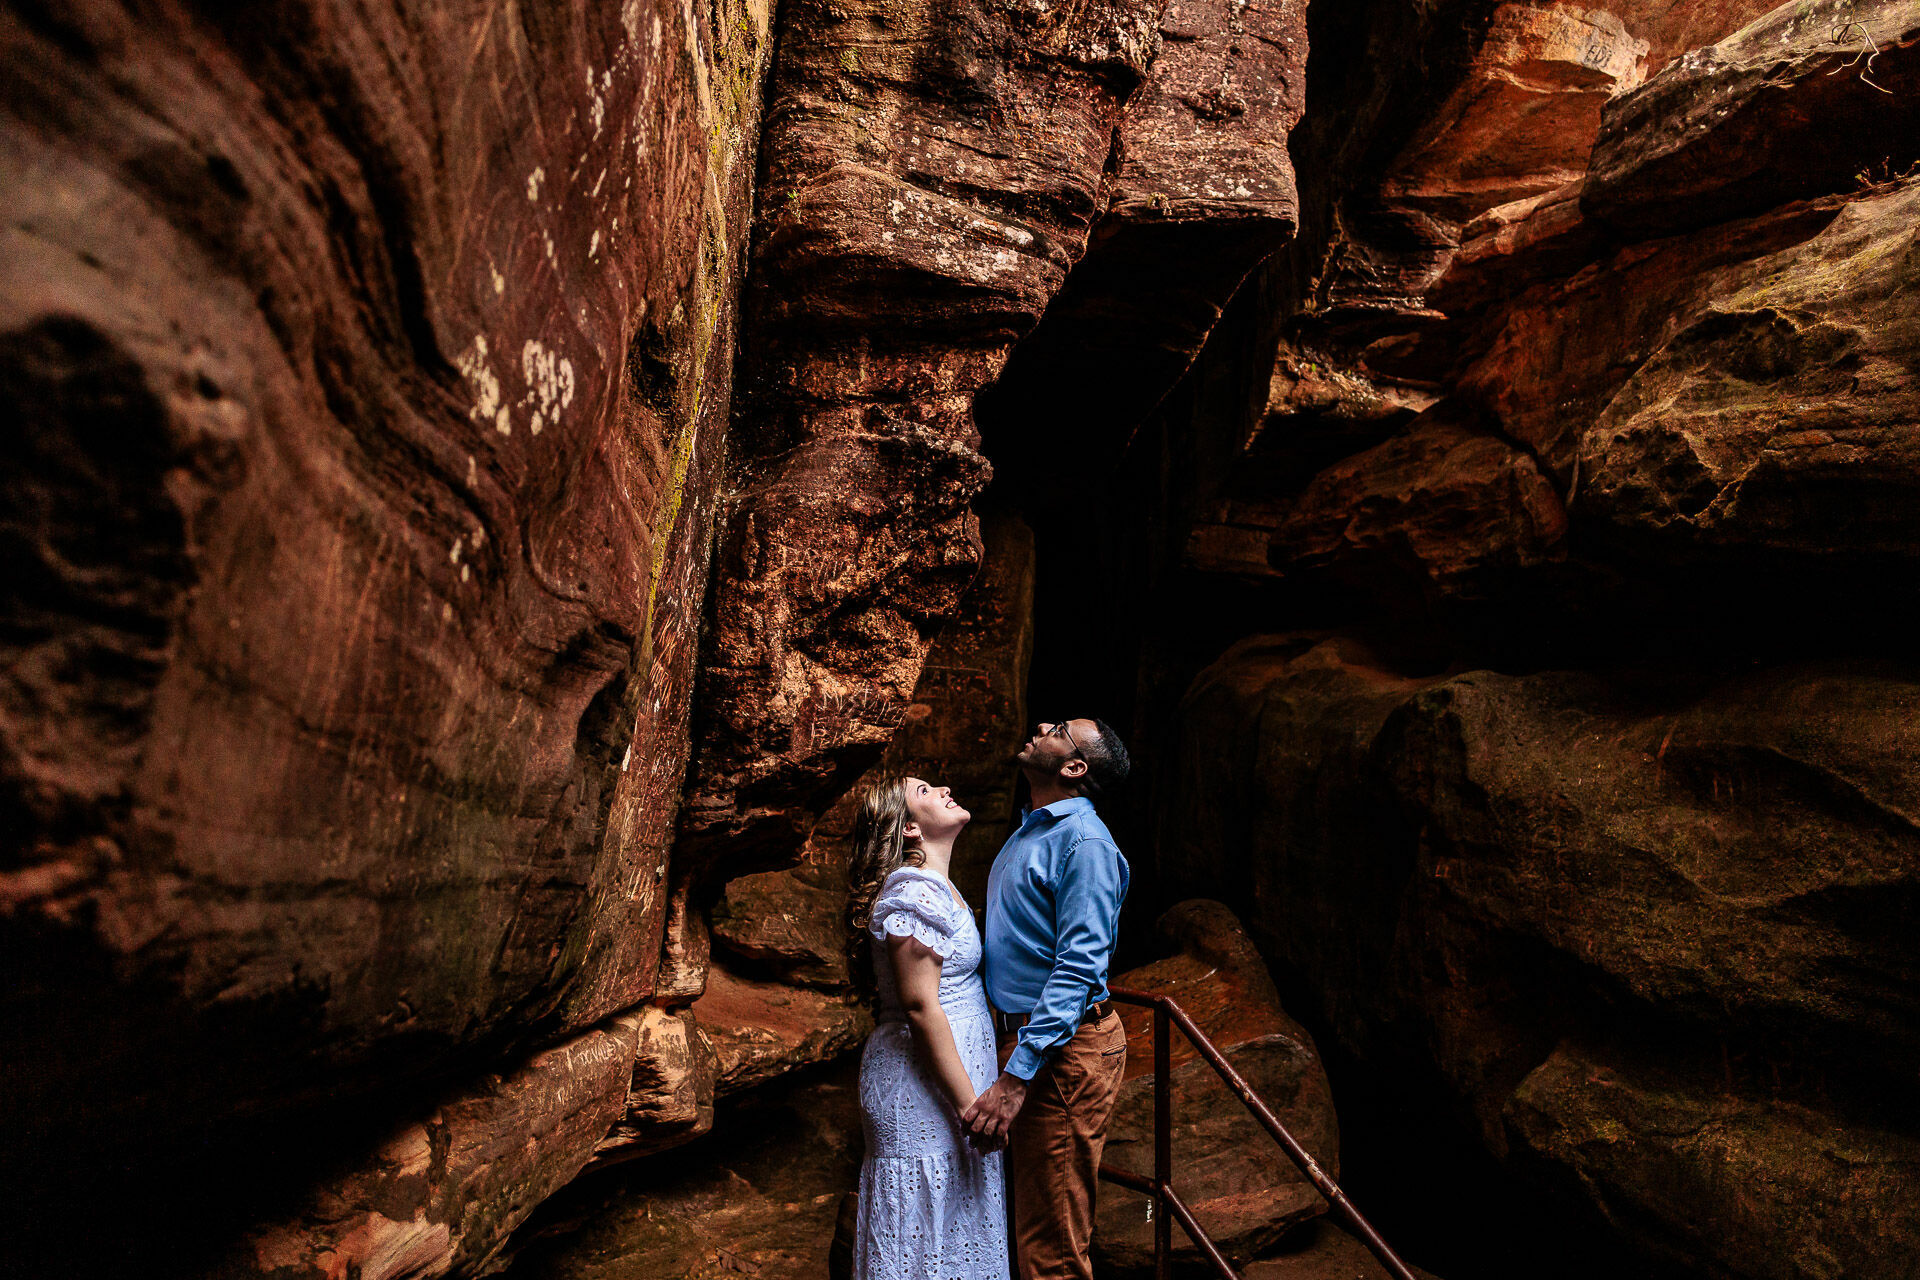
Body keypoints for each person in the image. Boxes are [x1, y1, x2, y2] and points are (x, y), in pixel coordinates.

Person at [962, 717, 1131, 1280]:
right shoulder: (1033, 828)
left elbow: (1080, 968)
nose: (1041, 725)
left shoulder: (1085, 844)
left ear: (1074, 767)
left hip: (1063, 1051)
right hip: (1027, 1038)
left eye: (1059, 728)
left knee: (1051, 1249)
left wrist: (1017, 1077)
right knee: (1025, 1228)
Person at [846, 775, 1009, 1280]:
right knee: (922, 1233)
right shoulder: (914, 894)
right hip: (923, 1092)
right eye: (924, 791)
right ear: (912, 828)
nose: (943, 789)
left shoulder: (934, 887)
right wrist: (969, 1108)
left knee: (955, 1229)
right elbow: (920, 1006)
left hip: (944, 1085)